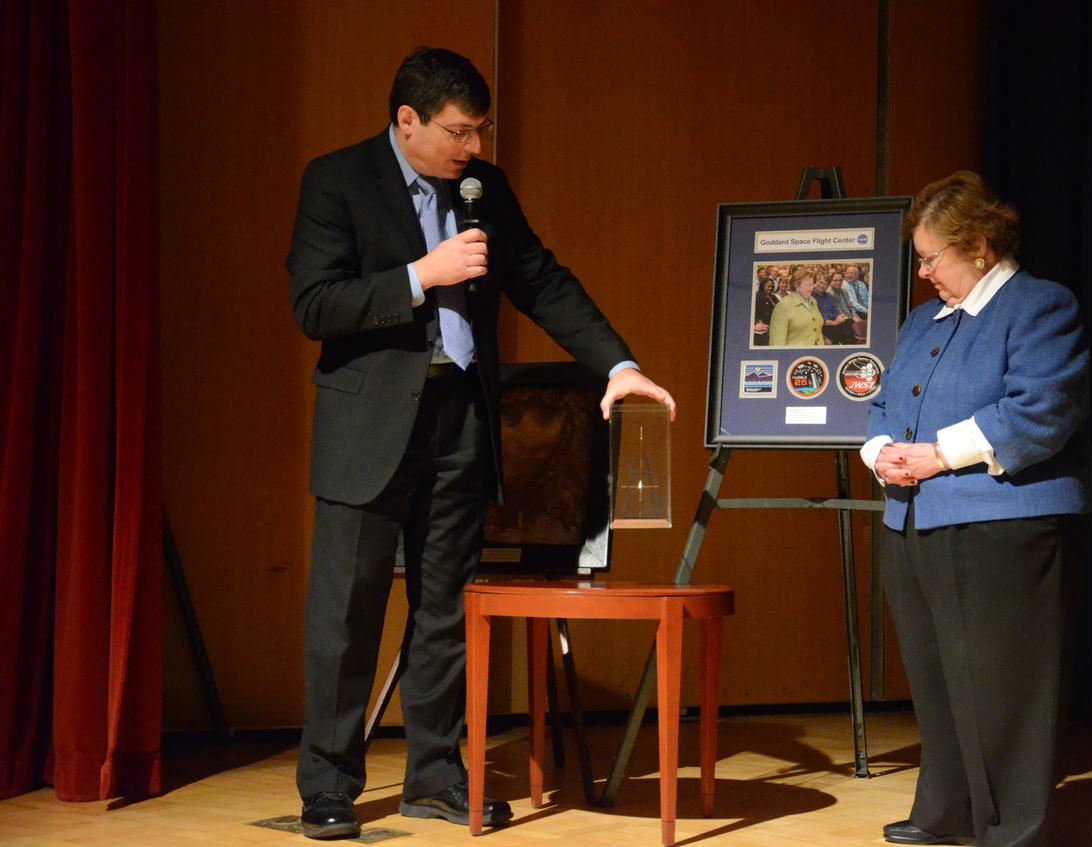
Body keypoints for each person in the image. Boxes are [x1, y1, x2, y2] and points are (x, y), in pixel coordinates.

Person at [286, 47, 675, 840]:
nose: (473, 148)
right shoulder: (337, 181)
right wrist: (418, 275)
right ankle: (328, 784)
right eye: (459, 132)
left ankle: (433, 777)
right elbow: (314, 304)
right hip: (368, 429)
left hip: (459, 420)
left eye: (480, 131)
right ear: (407, 120)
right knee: (345, 619)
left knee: (444, 615)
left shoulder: (482, 190)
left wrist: (619, 362)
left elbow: (540, 279)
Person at [860, 170, 1092, 847]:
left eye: (933, 256)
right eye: (920, 258)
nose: (924, 270)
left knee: (1004, 687)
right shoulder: (922, 320)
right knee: (936, 677)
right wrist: (880, 450)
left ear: (982, 245)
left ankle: (1012, 830)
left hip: (1006, 522)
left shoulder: (1038, 306)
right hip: (913, 519)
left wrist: (939, 453)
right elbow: (882, 408)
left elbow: (1043, 408)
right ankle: (946, 810)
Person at [767, 270, 823, 346]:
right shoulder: (783, 306)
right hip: (795, 356)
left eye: (812, 284)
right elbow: (776, 342)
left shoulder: (813, 301)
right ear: (796, 286)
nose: (812, 288)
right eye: (807, 285)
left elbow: (817, 330)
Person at [814, 273, 855, 345]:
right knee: (844, 332)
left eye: (825, 284)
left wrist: (839, 316)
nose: (822, 286)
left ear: (828, 286)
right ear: (816, 282)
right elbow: (816, 318)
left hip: (834, 322)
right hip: (823, 325)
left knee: (850, 322)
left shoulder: (828, 296)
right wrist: (834, 322)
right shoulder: (811, 297)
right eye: (820, 282)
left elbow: (835, 310)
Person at [752, 276, 779, 345]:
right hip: (762, 328)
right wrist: (757, 323)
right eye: (768, 286)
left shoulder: (774, 297)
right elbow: (753, 313)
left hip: (774, 327)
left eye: (772, 287)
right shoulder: (757, 297)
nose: (770, 288)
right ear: (762, 286)